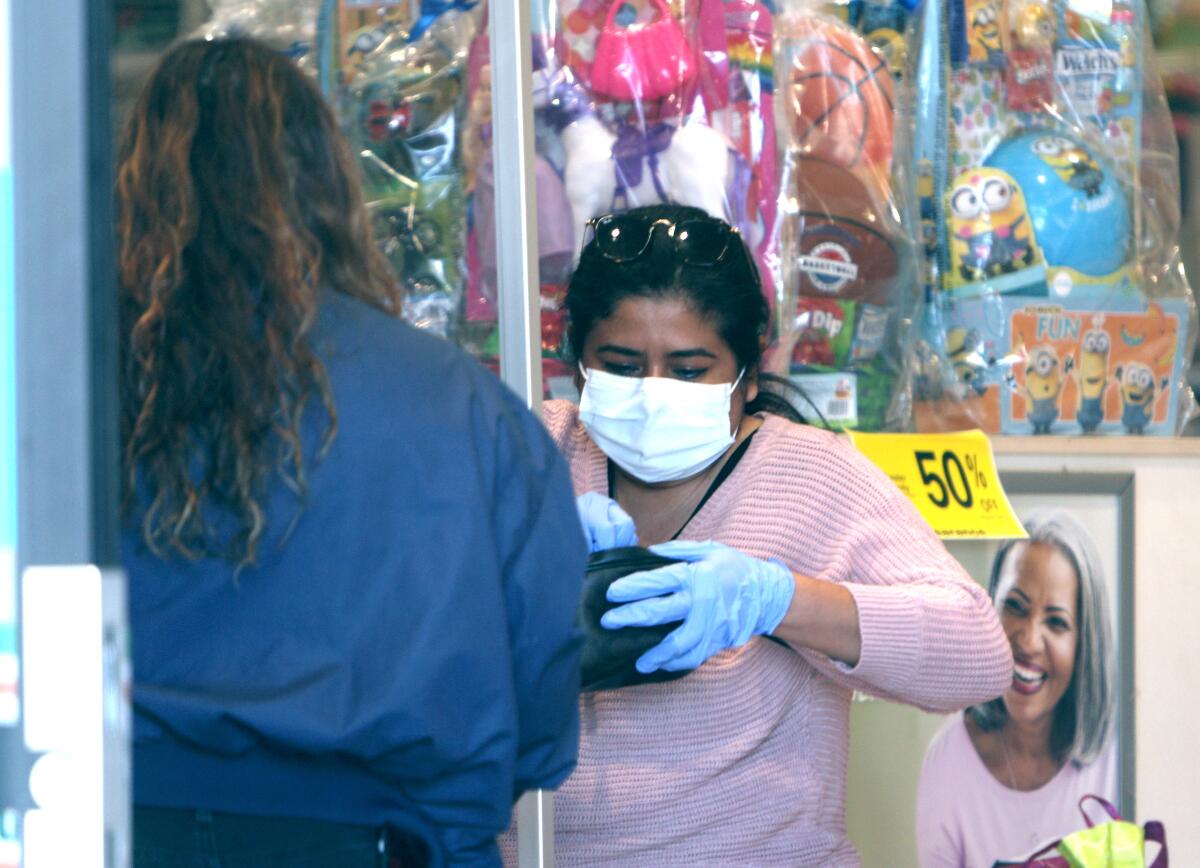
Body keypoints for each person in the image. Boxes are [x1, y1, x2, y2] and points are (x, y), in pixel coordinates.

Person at [116, 37, 586, 867]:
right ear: (330, 185)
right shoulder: (463, 410)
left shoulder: (66, 400)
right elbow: (541, 706)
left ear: (135, 183)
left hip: (109, 822)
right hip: (377, 839)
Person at [501, 204, 1013, 866]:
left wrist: (777, 601)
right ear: (577, 365)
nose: (654, 394)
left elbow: (977, 653)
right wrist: (509, 567)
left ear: (746, 375)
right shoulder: (538, 449)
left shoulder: (809, 473)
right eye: (623, 365)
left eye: (689, 371)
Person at [916, 510, 1116, 867]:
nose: (1028, 639)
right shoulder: (948, 760)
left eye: (1056, 622)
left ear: (1085, 644)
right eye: (1015, 607)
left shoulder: (1117, 760)